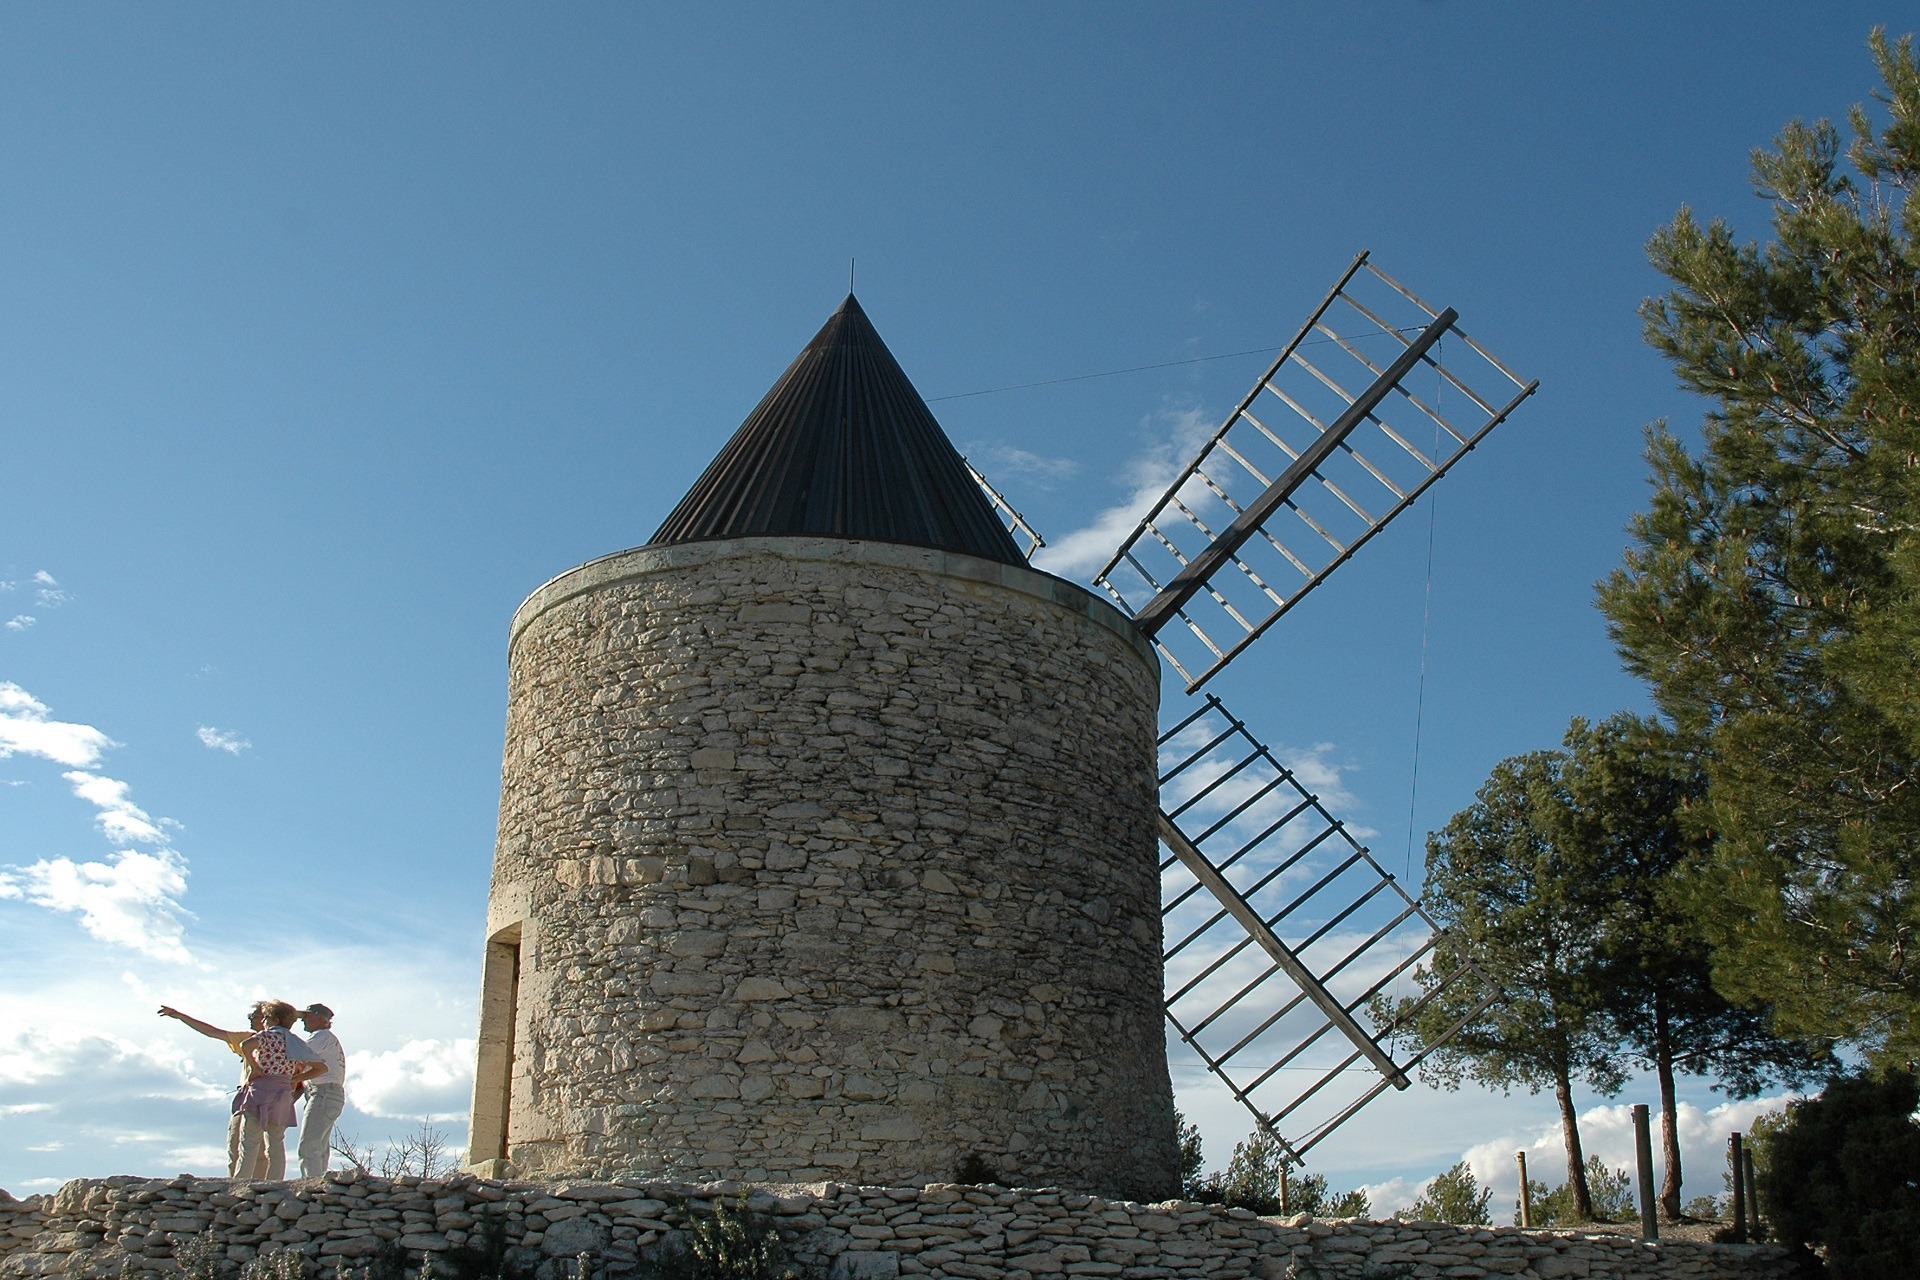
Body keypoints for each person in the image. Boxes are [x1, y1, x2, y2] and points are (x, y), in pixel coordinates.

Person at [157, 1002, 269, 1176]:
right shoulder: (248, 1038)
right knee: (235, 1145)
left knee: (260, 1148)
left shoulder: (283, 1042)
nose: (250, 1019)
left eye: (254, 1016)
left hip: (265, 1097)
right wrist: (181, 1016)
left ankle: (259, 1185)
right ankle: (236, 1184)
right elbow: (212, 1032)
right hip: (245, 1097)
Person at [233, 1001, 326, 1179]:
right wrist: (296, 1078)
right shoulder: (295, 1042)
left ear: (275, 1019)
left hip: (260, 1091)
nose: (264, 1021)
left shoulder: (267, 1036)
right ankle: (275, 1181)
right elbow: (321, 1068)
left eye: (266, 1018)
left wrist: (255, 1068)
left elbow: (246, 1045)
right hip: (282, 1095)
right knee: (276, 1142)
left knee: (249, 1141)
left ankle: (241, 1179)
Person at [294, 1003, 346, 1178]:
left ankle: (311, 1184)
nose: (303, 1021)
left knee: (309, 1145)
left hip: (323, 1092)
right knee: (319, 1146)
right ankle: (318, 1182)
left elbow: (296, 1056)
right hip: (329, 1093)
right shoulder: (327, 1038)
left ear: (320, 1018)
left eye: (307, 1016)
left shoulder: (321, 1036)